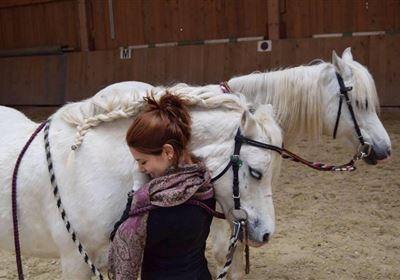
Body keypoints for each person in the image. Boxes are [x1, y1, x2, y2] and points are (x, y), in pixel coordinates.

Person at [108, 92, 216, 280]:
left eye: (143, 161)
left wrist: (136, 190)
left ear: (167, 151)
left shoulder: (157, 208)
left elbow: (120, 236)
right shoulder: (202, 183)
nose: (141, 169)